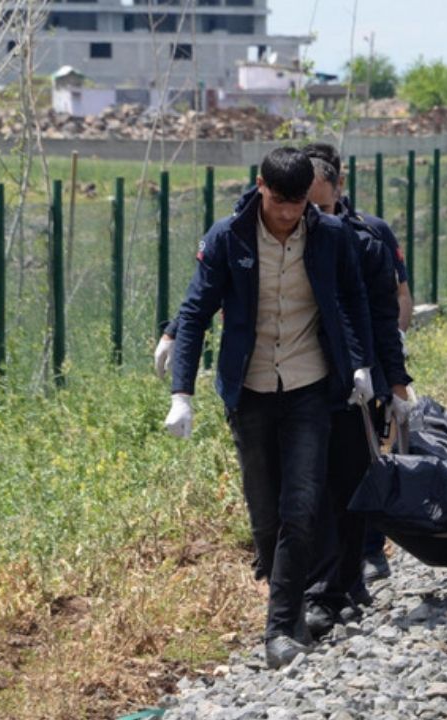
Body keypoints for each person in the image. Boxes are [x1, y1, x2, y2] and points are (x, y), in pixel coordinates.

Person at [162, 147, 374, 669]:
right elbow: (195, 312)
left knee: (300, 507)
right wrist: (181, 393)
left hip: (308, 387)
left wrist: (363, 366)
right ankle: (290, 595)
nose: (287, 213)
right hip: (250, 390)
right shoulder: (227, 237)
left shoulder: (330, 236)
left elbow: (353, 301)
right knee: (265, 517)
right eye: (279, 201)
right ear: (260, 187)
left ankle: (280, 626)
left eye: (298, 203)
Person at [303, 155, 415, 636]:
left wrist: (395, 379)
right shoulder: (281, 236)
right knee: (313, 487)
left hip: (359, 376)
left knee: (356, 478)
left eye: (314, 191)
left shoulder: (368, 235)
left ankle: (358, 568)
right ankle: (325, 584)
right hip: (305, 379)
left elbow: (391, 304)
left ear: (336, 186)